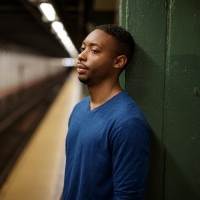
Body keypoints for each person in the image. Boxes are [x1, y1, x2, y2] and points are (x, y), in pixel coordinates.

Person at [60, 24, 151, 200]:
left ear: (118, 62)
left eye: (94, 51)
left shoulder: (127, 123)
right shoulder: (79, 109)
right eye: (83, 48)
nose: (81, 56)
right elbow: (73, 175)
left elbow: (127, 197)